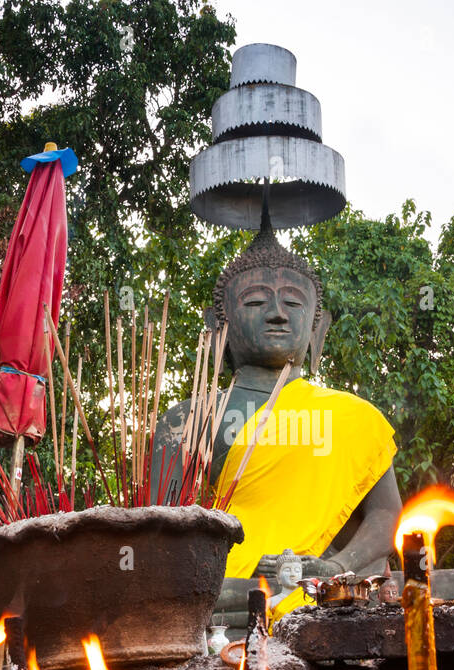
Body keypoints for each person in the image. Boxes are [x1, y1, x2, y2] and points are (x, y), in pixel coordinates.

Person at [151, 224, 401, 630]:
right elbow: (163, 536)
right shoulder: (186, 419)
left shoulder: (355, 415)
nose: (278, 313)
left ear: (318, 329)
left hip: (326, 581)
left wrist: (335, 566)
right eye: (255, 302)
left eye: (293, 302)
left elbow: (386, 514)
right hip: (229, 584)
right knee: (182, 597)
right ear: (220, 323)